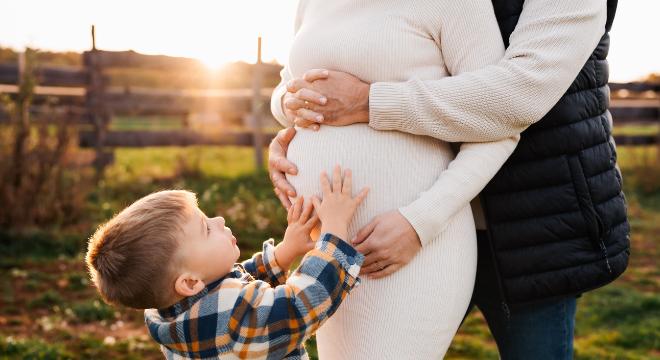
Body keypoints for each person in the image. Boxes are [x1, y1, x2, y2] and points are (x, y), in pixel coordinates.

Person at [270, 0, 629, 358]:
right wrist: (293, 124)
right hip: (377, 234)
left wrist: (368, 102)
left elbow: (519, 95)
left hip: (533, 226)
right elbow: (298, 79)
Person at [84, 167, 369, 359]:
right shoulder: (231, 322)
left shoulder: (168, 310)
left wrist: (282, 254)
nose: (218, 221)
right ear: (189, 282)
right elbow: (298, 306)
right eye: (206, 229)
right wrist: (333, 231)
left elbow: (227, 285)